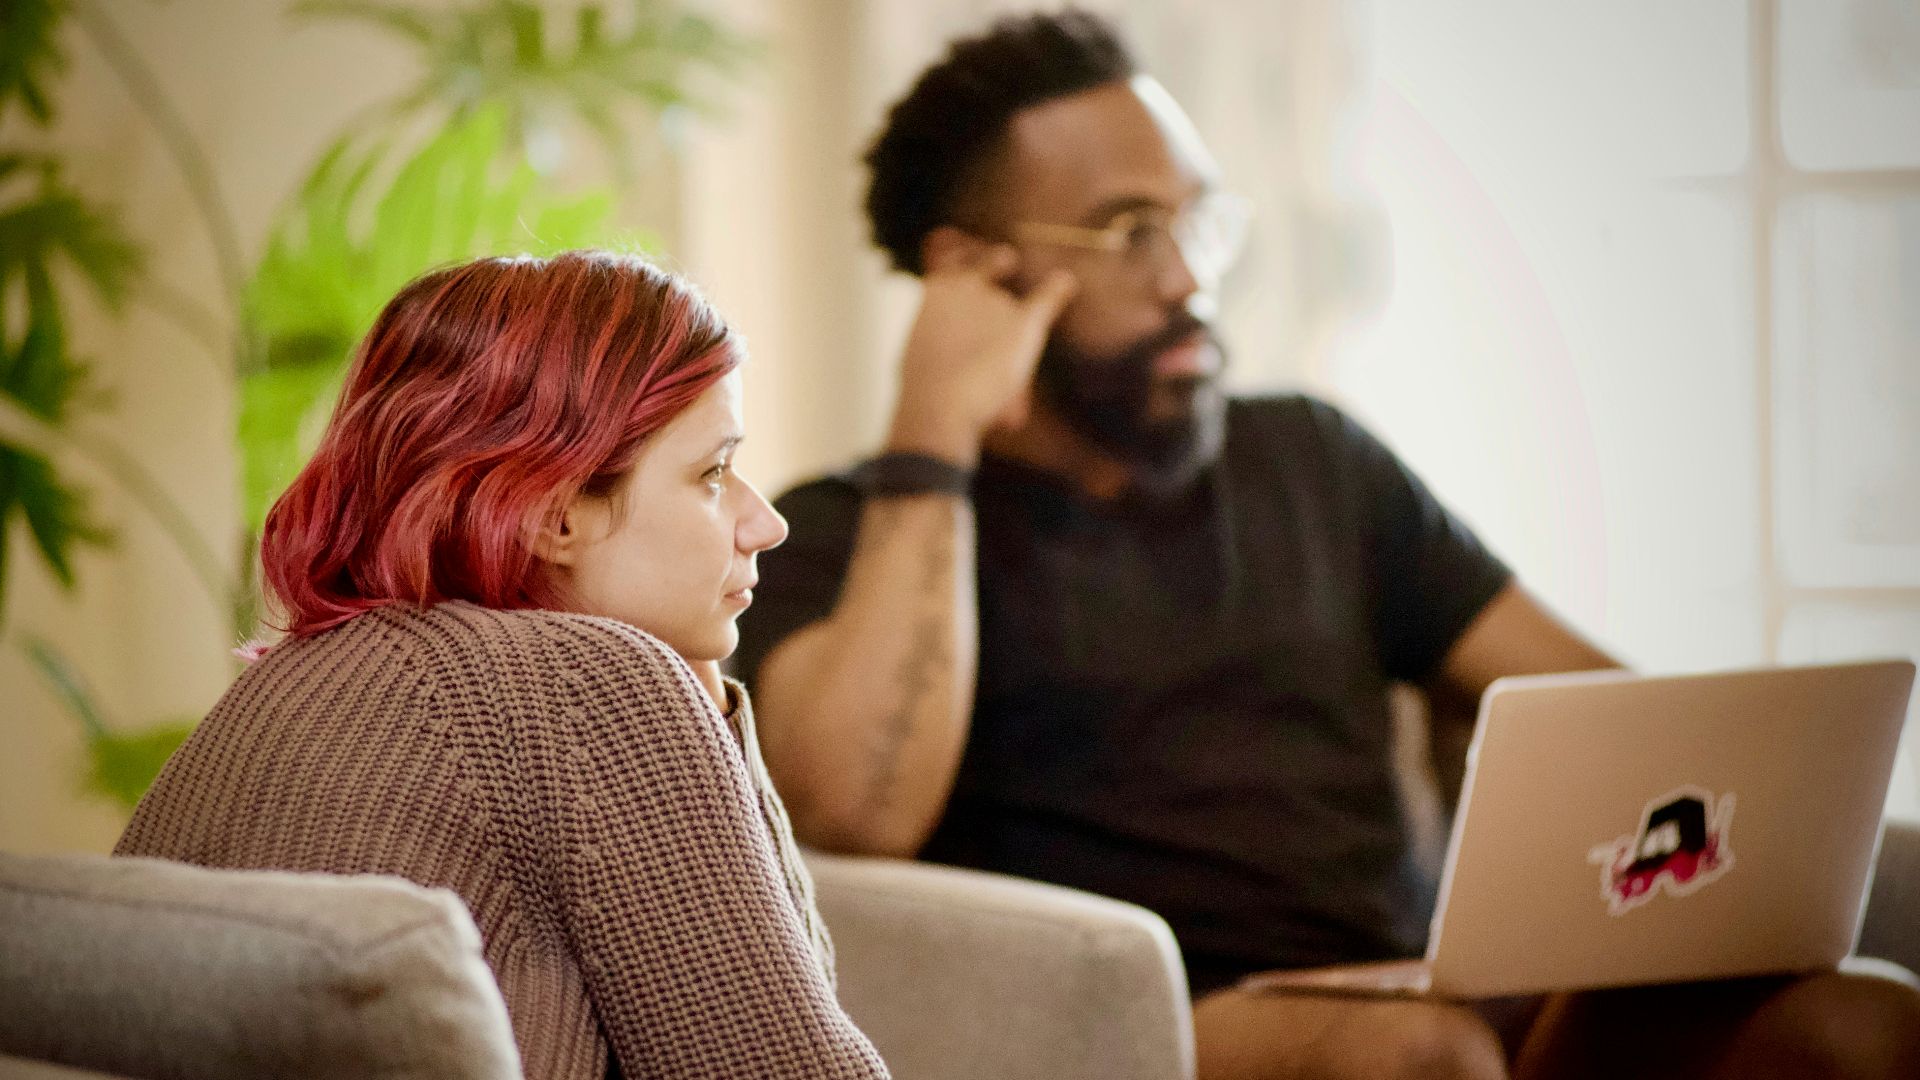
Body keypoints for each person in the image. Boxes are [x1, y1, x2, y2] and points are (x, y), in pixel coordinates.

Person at [731, 11, 1920, 1080]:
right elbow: (853, 814)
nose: (1190, 278)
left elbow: (1597, 710)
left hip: (1424, 1000)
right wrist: (931, 438)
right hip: (1167, 1027)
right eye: (1130, 232)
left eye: (1198, 218)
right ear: (973, 271)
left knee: (1856, 1023)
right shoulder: (849, 528)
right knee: (1422, 1058)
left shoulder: (1311, 457)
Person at [117, 252, 891, 1080]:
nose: (765, 524)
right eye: (712, 474)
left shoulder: (283, 681)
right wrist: (683, 699)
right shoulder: (589, 689)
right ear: (552, 516)